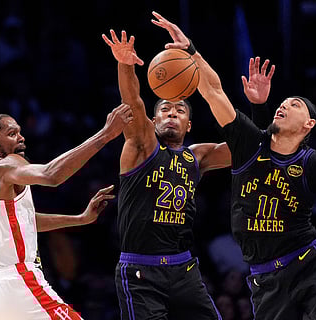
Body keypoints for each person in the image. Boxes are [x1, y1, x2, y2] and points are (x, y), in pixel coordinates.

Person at [150, 11, 316, 320]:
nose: (284, 105)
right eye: (283, 102)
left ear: (308, 124)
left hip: (309, 266)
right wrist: (191, 51)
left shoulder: (312, 164)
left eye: (295, 104)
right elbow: (213, 91)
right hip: (265, 278)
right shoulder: (248, 143)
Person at [101, 16, 273, 318]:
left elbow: (249, 147)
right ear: (154, 122)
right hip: (141, 270)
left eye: (179, 109)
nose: (171, 113)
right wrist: (125, 65)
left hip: (183, 269)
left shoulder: (197, 157)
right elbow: (134, 102)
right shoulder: (140, 148)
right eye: (164, 109)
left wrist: (257, 106)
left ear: (189, 124)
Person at [0, 104, 133, 320]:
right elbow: (51, 174)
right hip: (15, 281)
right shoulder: (5, 166)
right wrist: (106, 134)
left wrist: (80, 219)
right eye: (11, 134)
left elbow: (24, 221)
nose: (21, 138)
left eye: (19, 131)